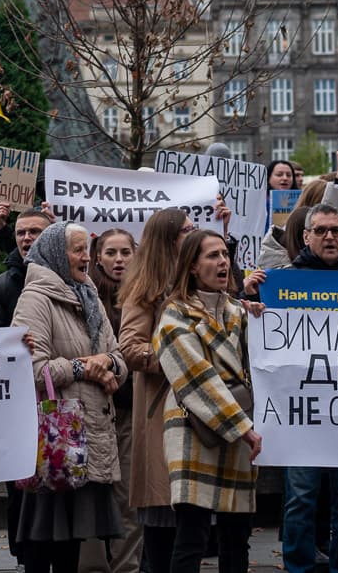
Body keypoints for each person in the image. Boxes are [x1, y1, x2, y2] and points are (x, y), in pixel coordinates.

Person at [10, 222, 125, 572]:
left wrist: (105, 362)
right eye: (77, 249)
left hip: (89, 437)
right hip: (55, 441)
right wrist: (83, 368)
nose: (85, 257)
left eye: (86, 249)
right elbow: (30, 369)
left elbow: (118, 359)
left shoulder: (87, 294)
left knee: (72, 544)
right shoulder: (35, 299)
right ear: (58, 254)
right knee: (45, 541)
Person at [153, 230, 261, 573]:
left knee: (236, 536)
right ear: (192, 267)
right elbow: (195, 377)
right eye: (212, 256)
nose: (223, 262)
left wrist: (263, 323)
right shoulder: (174, 316)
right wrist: (243, 427)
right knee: (191, 536)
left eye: (225, 255)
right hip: (193, 431)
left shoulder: (240, 313)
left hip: (241, 429)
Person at [277, 204, 338, 573]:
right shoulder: (282, 283)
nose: (330, 237)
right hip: (303, 414)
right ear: (306, 236)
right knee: (301, 498)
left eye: (336, 230)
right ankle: (297, 567)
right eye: (322, 230)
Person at [115, 207, 193, 572]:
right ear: (168, 239)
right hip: (161, 411)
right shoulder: (145, 287)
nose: (193, 236)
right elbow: (130, 348)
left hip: (197, 410)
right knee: (163, 523)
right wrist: (179, 358)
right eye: (186, 232)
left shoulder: (197, 281)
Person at [0, 207, 52, 570]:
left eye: (35, 232)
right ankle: (24, 554)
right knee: (20, 488)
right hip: (17, 405)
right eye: (21, 232)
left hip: (59, 405)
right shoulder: (3, 286)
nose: (26, 238)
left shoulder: (75, 283)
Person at [84, 228, 140, 573]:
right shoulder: (83, 296)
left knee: (129, 500)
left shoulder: (147, 295)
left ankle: (127, 566)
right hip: (91, 412)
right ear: (97, 257)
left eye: (125, 252)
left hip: (131, 411)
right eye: (111, 253)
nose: (118, 260)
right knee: (90, 496)